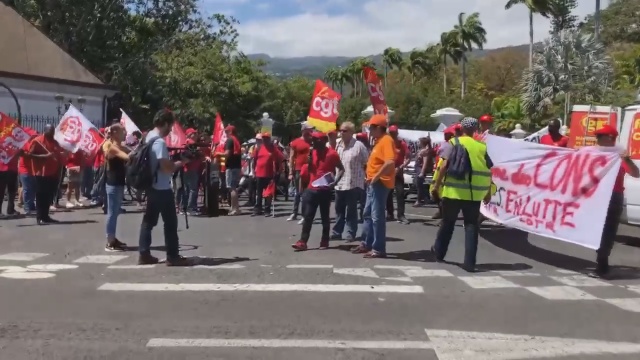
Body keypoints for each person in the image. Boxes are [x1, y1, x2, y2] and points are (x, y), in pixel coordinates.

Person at [430, 117, 493, 272]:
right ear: (475, 130)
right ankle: (469, 263)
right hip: (473, 195)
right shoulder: (481, 146)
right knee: (471, 226)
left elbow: (444, 165)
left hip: (453, 192)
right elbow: (488, 170)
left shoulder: (453, 143)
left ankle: (438, 253)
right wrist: (488, 192)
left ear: (461, 129)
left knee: (448, 223)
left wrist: (436, 186)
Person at [138, 109, 191, 266]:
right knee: (170, 223)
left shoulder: (149, 137)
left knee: (148, 221)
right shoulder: (159, 142)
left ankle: (144, 254)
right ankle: (172, 256)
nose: (171, 130)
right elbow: (166, 168)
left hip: (151, 185)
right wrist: (182, 162)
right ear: (166, 124)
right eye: (171, 125)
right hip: (161, 187)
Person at [590, 125, 640, 278]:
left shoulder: (619, 155)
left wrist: (626, 159)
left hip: (613, 198)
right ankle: (601, 260)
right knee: (595, 231)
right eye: (597, 136)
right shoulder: (591, 153)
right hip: (596, 197)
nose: (597, 140)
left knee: (608, 232)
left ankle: (602, 263)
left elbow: (636, 174)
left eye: (600, 137)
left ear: (611, 139)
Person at [352, 114, 396, 258]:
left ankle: (378, 248)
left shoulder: (386, 141)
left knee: (377, 217)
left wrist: (376, 176)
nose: (369, 130)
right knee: (368, 214)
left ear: (378, 128)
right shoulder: (379, 141)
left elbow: (389, 162)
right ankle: (367, 243)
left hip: (380, 183)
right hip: (374, 183)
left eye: (371, 127)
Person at [292, 131, 344, 251]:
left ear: (322, 141)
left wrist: (334, 183)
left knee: (325, 217)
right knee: (308, 217)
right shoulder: (312, 152)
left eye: (315, 140)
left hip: (325, 190)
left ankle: (325, 240)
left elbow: (341, 169)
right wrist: (309, 162)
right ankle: (303, 241)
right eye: (312, 140)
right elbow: (310, 171)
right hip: (311, 189)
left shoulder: (332, 154)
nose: (312, 142)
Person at [331, 121, 369, 242]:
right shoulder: (337, 145)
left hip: (353, 183)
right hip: (339, 183)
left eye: (344, 130)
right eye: (340, 130)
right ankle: (337, 232)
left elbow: (366, 162)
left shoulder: (359, 146)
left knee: (351, 210)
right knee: (338, 209)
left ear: (351, 132)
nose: (341, 133)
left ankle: (350, 233)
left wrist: (365, 178)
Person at [26, 125, 65, 225]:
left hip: (53, 173)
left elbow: (58, 154)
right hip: (41, 173)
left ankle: (46, 216)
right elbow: (30, 155)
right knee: (41, 195)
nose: (52, 133)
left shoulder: (55, 142)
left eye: (53, 131)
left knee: (49, 196)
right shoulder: (37, 141)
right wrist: (45, 156)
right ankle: (40, 217)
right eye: (50, 131)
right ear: (45, 131)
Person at [103, 124, 130, 252]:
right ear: (114, 133)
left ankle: (113, 238)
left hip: (119, 183)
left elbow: (133, 151)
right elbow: (127, 156)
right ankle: (109, 242)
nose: (124, 133)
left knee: (115, 212)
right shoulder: (112, 148)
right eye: (122, 131)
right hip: (113, 183)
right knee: (112, 213)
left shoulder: (121, 146)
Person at [252, 132, 283, 216]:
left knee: (268, 193)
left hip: (269, 174)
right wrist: (253, 171)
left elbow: (281, 158)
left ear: (269, 139)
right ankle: (257, 209)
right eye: (264, 138)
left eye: (267, 138)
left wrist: (279, 169)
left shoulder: (274, 149)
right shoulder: (258, 148)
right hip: (259, 174)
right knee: (258, 193)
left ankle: (267, 210)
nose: (265, 140)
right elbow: (254, 161)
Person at [287, 123, 313, 223]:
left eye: (310, 130)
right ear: (303, 130)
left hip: (310, 169)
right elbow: (291, 157)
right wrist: (290, 172)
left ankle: (304, 215)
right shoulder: (295, 142)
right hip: (298, 169)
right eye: (308, 130)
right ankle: (294, 213)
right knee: (298, 192)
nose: (310, 132)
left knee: (306, 193)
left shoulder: (312, 141)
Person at [386, 125, 410, 224]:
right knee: (388, 194)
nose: (393, 135)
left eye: (394, 133)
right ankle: (390, 213)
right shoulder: (387, 143)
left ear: (397, 133)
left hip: (398, 172)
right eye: (391, 133)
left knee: (400, 193)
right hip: (388, 171)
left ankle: (401, 215)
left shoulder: (402, 144)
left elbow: (409, 157)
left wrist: (401, 166)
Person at [224, 125, 243, 215]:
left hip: (231, 167)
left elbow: (227, 153)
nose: (225, 133)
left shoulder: (230, 140)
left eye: (226, 131)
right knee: (234, 187)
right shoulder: (236, 140)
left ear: (230, 132)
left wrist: (217, 154)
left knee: (232, 188)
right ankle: (234, 207)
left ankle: (235, 209)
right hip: (237, 166)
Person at [0, 146, 20, 218]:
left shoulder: (15, 143)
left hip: (12, 169)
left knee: (12, 190)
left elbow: (20, 153)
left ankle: (10, 209)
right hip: (2, 169)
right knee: (1, 191)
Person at [414, 137, 434, 207]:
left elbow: (425, 163)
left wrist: (422, 172)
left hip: (420, 169)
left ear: (422, 143)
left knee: (419, 185)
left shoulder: (425, 151)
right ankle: (425, 198)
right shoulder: (421, 150)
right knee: (418, 185)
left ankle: (419, 200)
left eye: (419, 142)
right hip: (417, 169)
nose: (418, 143)